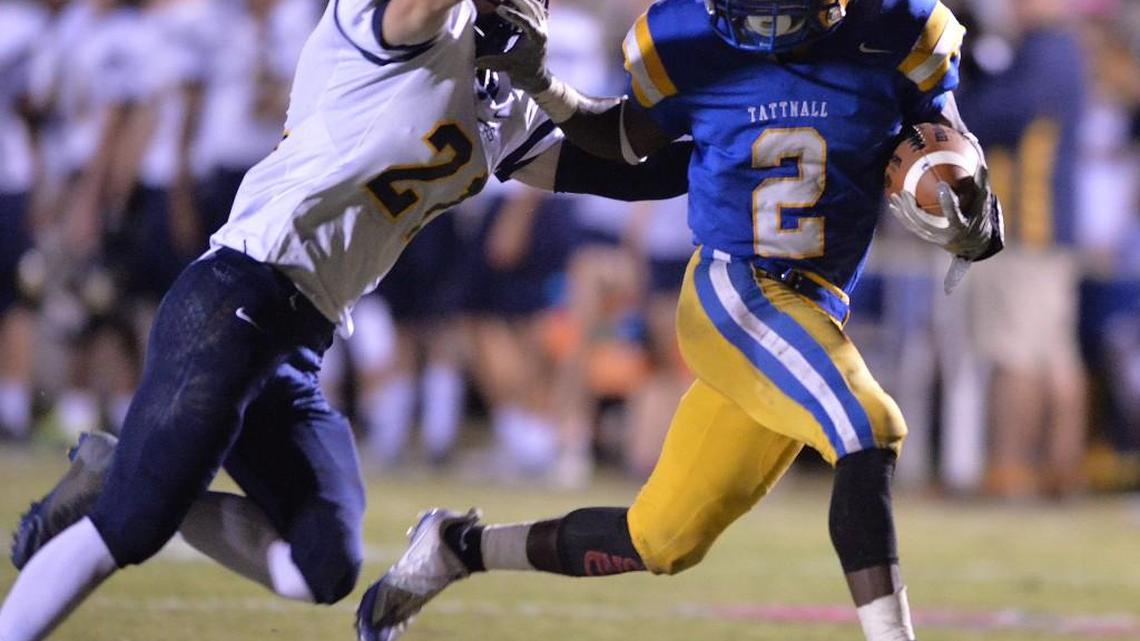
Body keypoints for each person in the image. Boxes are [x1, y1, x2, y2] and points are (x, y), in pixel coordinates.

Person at [0, 0, 692, 638]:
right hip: (235, 294)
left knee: (323, 565)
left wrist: (733, 136)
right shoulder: (393, 21)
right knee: (131, 525)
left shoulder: (503, 103)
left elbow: (630, 166)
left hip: (302, 338)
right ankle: (122, 492)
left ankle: (123, 469)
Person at [356, 1, 1004, 641]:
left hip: (816, 308)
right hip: (736, 289)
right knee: (869, 425)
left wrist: (966, 199)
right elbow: (622, 142)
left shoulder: (902, 26)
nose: (765, 22)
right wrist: (541, 86)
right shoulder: (684, 37)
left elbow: (943, 133)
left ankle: (456, 546)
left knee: (660, 538)